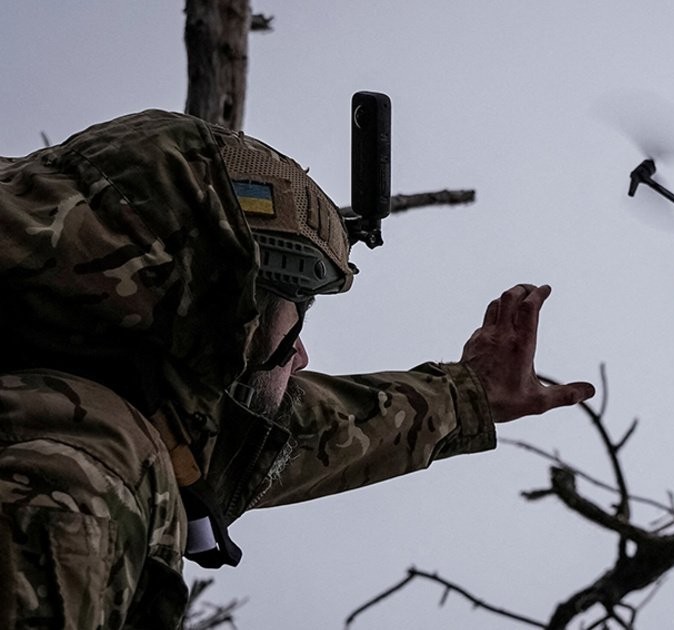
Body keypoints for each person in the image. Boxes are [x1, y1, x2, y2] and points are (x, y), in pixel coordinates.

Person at [0, 109, 595, 629]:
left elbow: (278, 430)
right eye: (296, 315)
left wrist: (466, 397)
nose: (302, 357)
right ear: (226, 314)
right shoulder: (76, 470)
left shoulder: (65, 376)